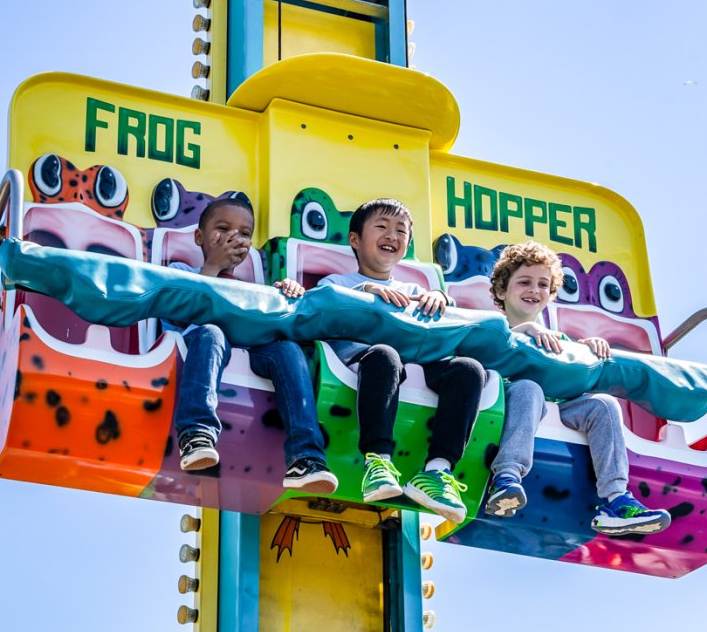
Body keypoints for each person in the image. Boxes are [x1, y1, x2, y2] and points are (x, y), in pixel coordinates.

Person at [318, 198, 487, 524]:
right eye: (381, 227)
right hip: (366, 362)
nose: (391, 235)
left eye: (400, 231)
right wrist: (366, 292)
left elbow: (445, 318)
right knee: (385, 354)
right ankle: (377, 462)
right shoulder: (338, 284)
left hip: (418, 362)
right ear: (355, 239)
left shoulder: (414, 289)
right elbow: (325, 308)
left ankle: (436, 472)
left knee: (469, 370)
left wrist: (440, 298)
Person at [484, 241, 671, 535]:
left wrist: (588, 348)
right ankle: (507, 477)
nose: (534, 289)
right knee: (529, 387)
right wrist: (525, 331)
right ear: (501, 291)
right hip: (508, 402)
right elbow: (487, 351)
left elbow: (573, 367)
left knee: (603, 404)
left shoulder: (557, 339)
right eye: (524, 282)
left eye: (543, 284)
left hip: (556, 407)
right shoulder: (493, 327)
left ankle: (616, 499)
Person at [163, 195, 338, 494]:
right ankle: (196, 434)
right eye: (223, 228)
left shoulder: (253, 288)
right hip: (204, 345)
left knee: (287, 349)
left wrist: (286, 294)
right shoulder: (184, 272)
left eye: (244, 233)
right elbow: (186, 309)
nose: (234, 237)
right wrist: (213, 265)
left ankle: (305, 457)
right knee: (212, 333)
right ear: (199, 236)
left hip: (250, 348)